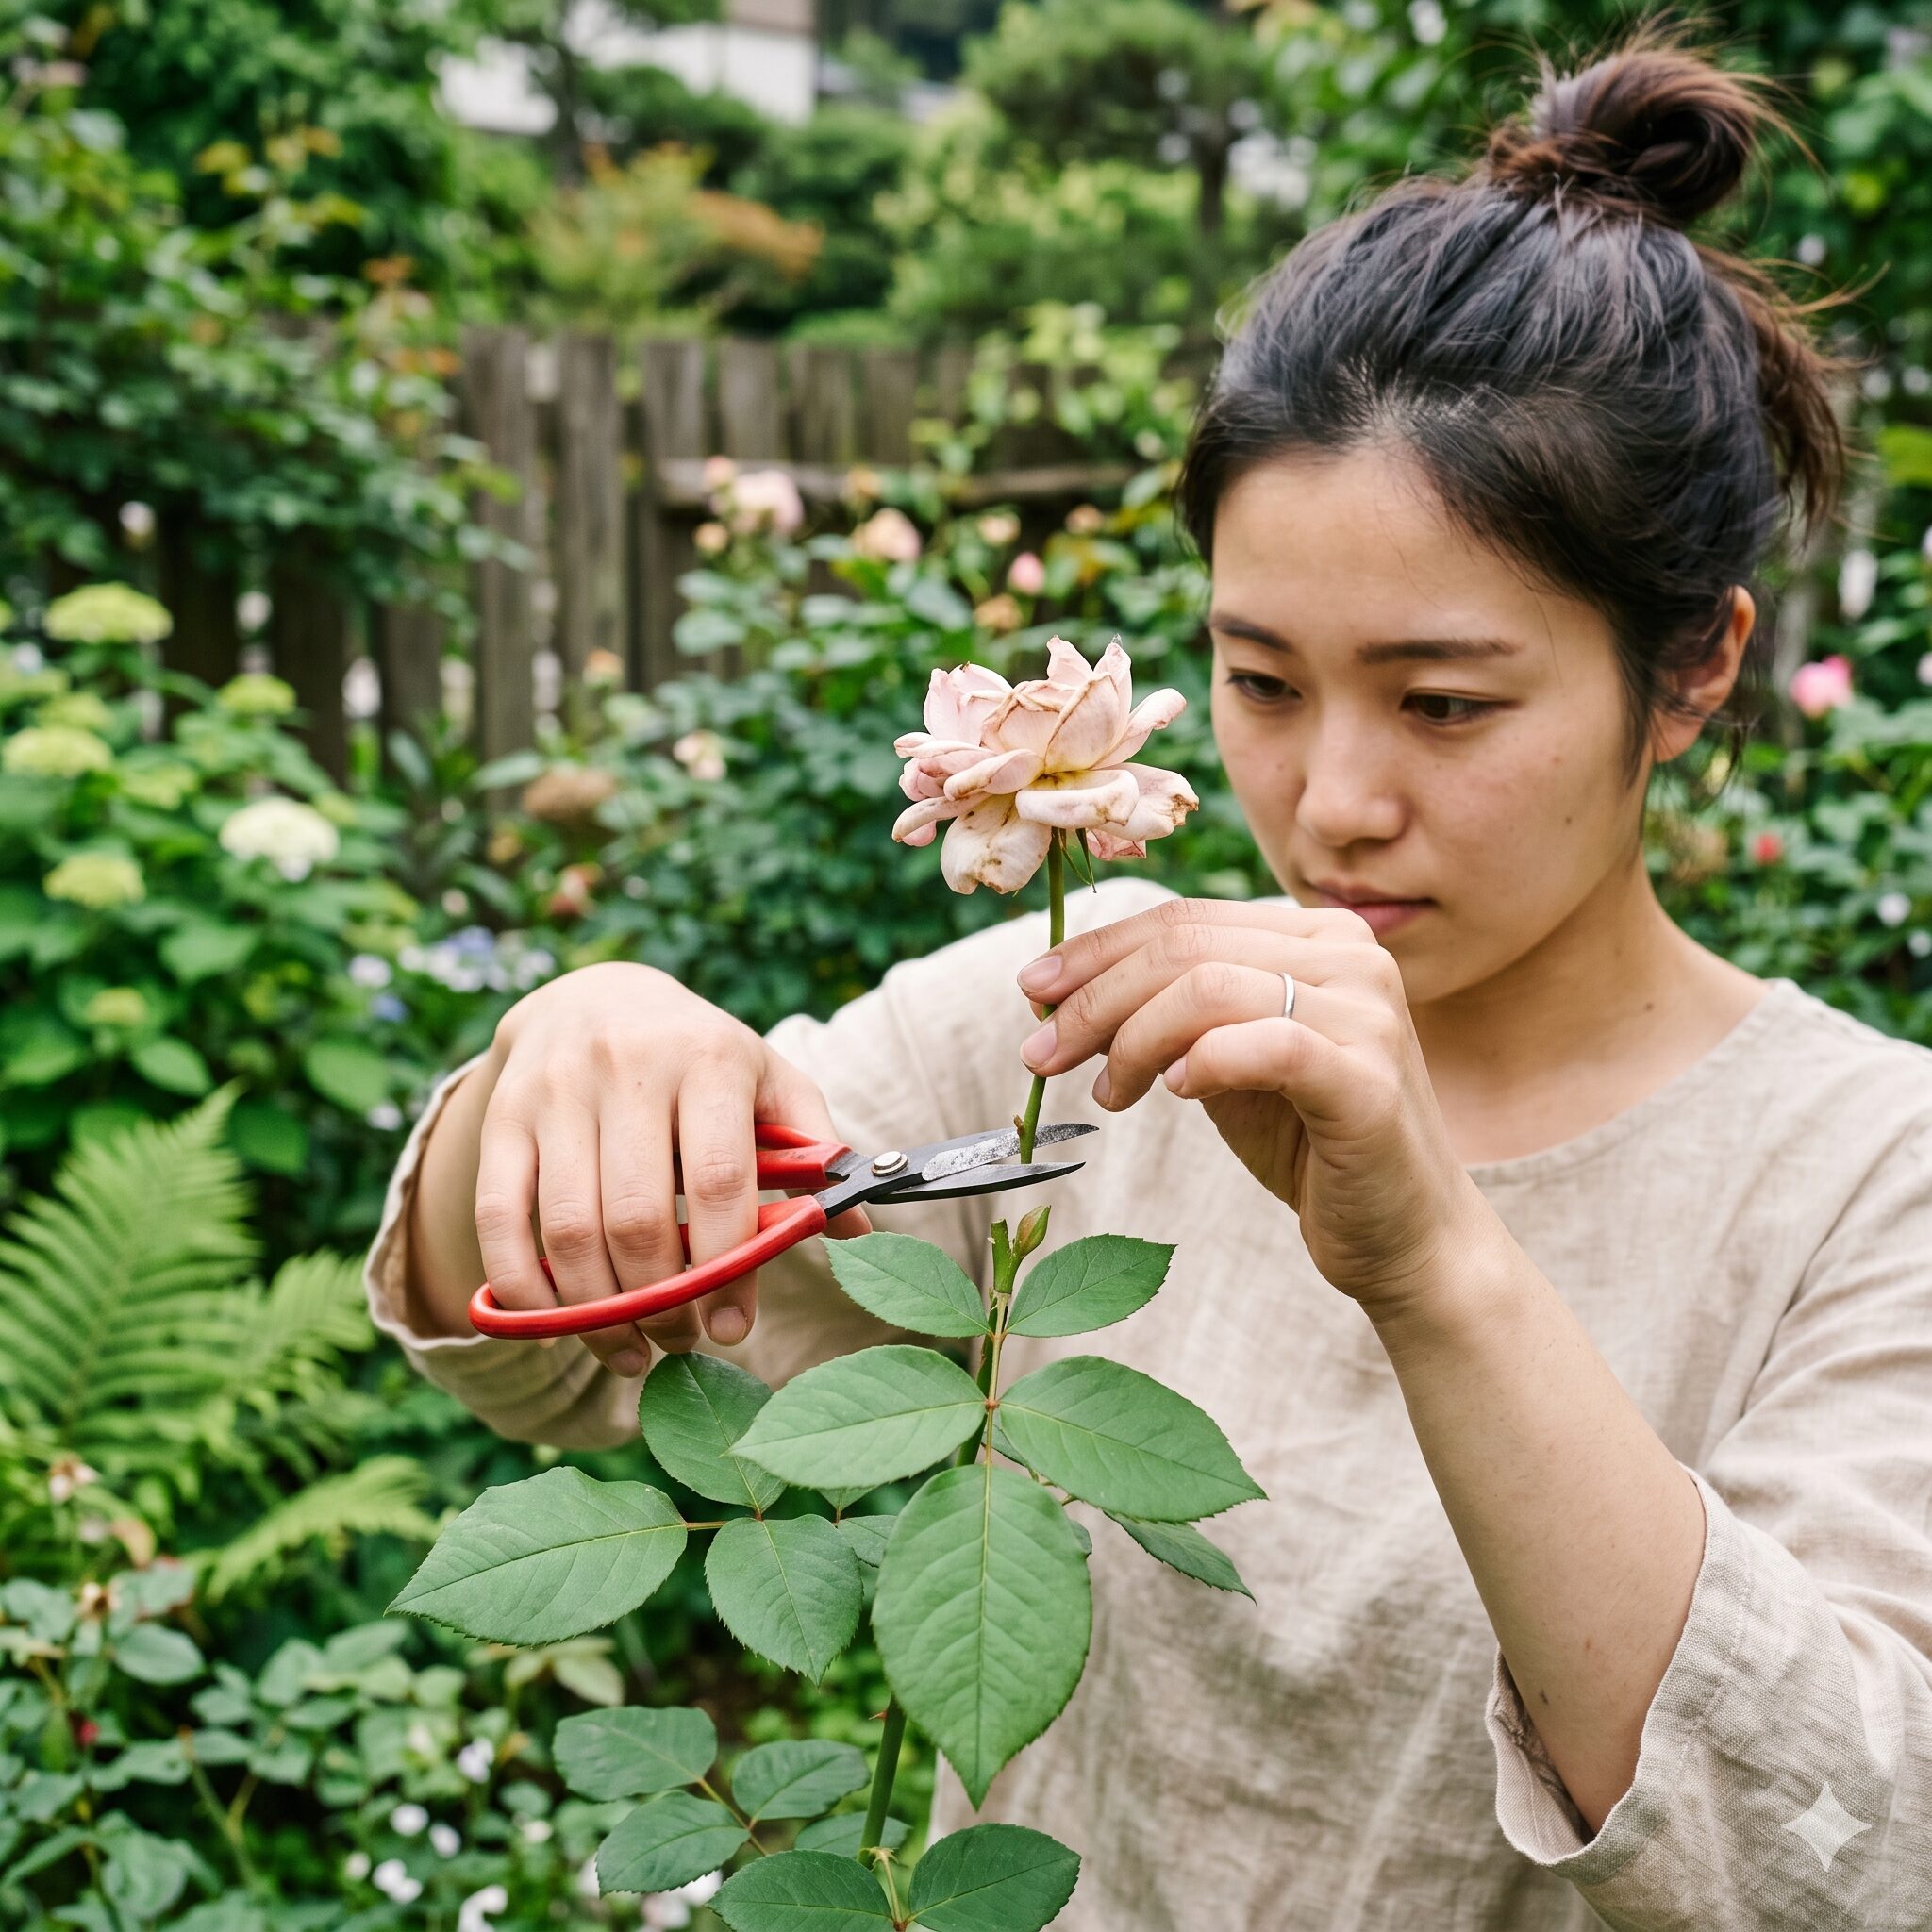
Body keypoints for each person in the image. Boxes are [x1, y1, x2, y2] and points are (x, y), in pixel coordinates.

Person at [366, 30, 1932, 1930]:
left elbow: (1843, 1857)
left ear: (1690, 669)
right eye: (1262, 681)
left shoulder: (1871, 1178)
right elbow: (536, 1351)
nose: (1330, 803)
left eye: (1443, 703)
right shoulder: (1080, 1020)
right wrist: (568, 1051)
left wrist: (1435, 1269)